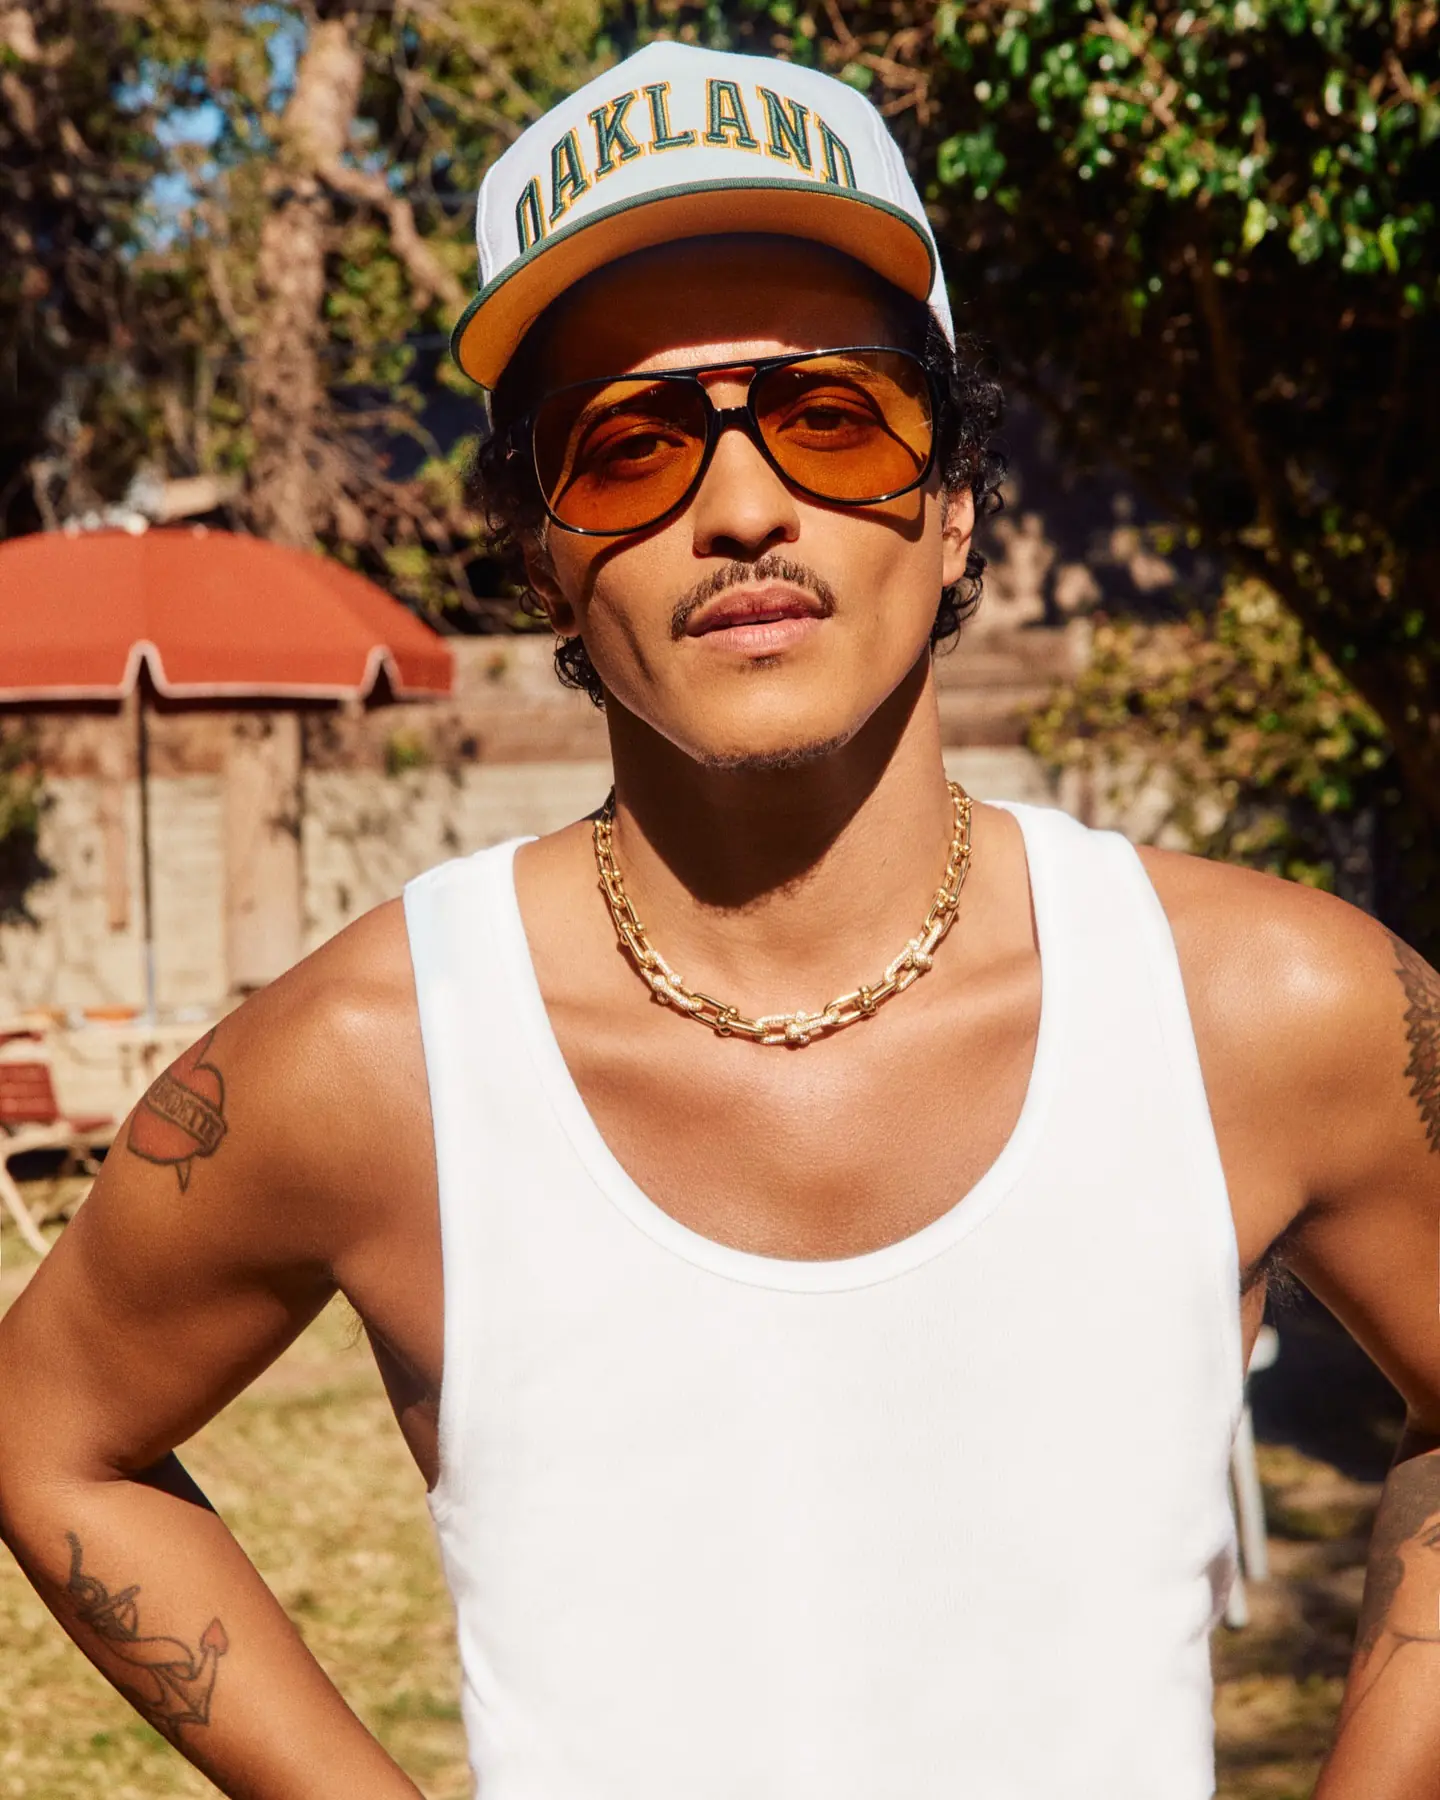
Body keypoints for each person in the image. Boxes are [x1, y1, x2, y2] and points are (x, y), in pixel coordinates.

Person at [1, 38, 1438, 1800]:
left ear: (954, 502)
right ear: (541, 556)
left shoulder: (1267, 1008)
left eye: (833, 417)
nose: (743, 508)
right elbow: (49, 1435)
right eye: (628, 447)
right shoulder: (384, 1061)